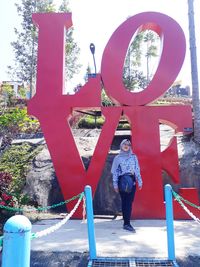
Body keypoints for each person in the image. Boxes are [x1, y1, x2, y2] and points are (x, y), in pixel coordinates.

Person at [111, 139, 143, 232]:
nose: (126, 146)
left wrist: (139, 181)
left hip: (132, 182)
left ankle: (126, 222)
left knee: (129, 202)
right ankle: (127, 223)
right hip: (122, 182)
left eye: (128, 144)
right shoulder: (117, 158)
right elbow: (115, 172)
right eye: (124, 144)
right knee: (126, 202)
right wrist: (115, 184)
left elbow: (137, 169)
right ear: (121, 145)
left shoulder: (134, 157)